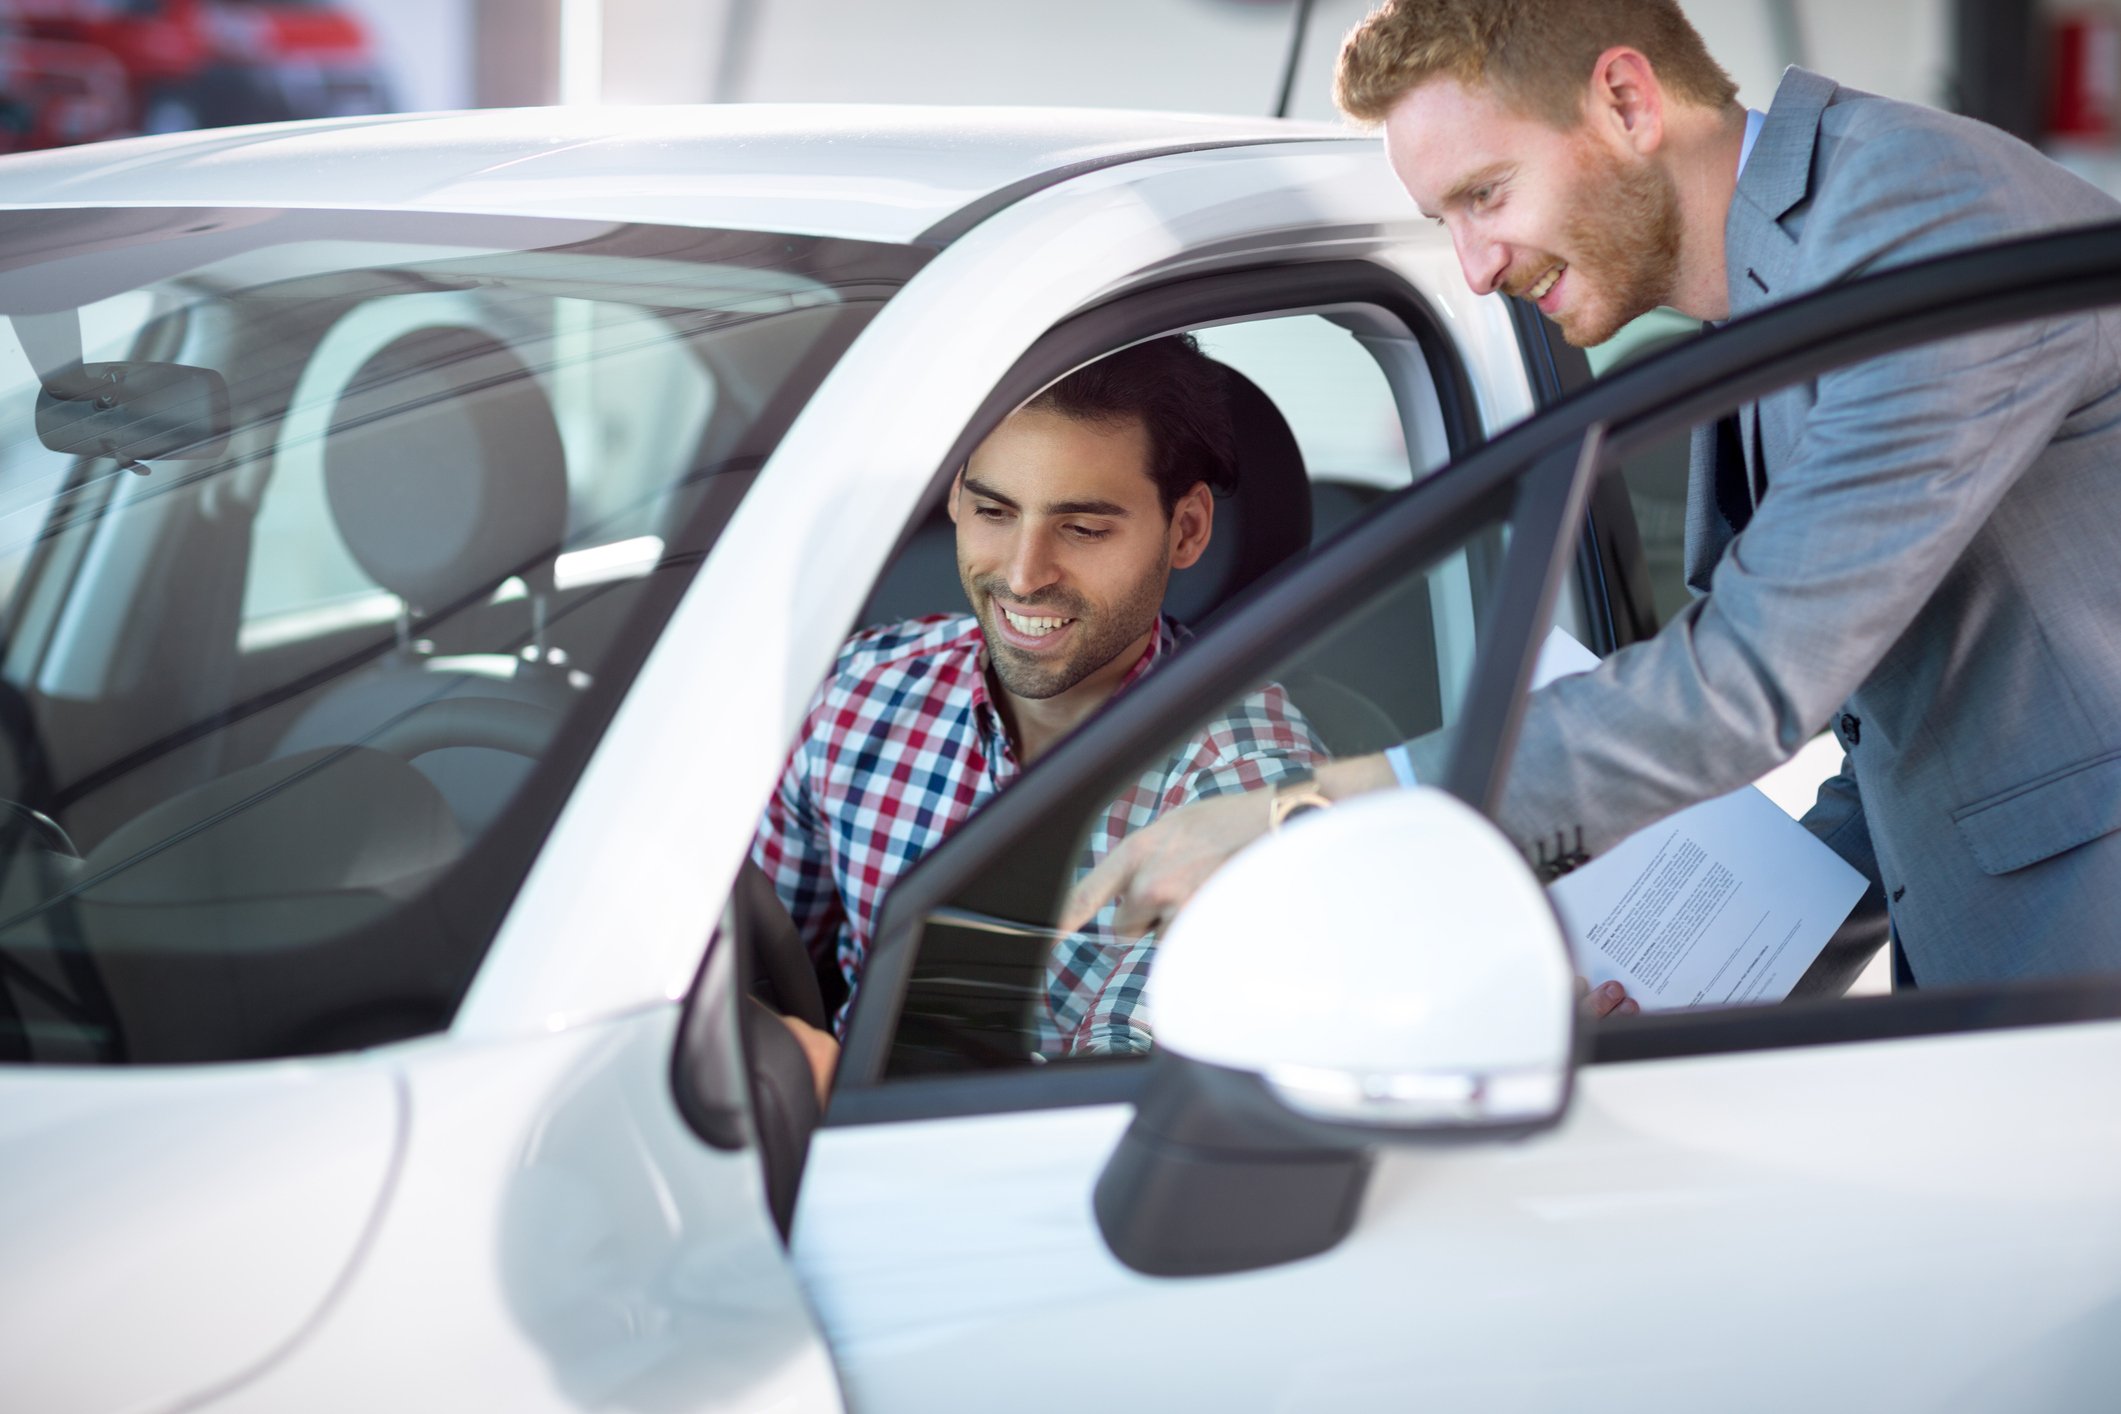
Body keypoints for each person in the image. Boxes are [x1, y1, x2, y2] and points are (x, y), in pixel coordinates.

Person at [1068, 0, 2121, 996]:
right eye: (1448, 220)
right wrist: (1717, 978)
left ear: (1627, 101)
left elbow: (1752, 680)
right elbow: (1902, 725)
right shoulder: (1776, 270)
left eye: (1485, 195)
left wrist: (1309, 815)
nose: (1475, 270)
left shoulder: (1921, 224)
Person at [753, 335, 1323, 1077]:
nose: (1022, 577)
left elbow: (1114, 1116)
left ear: (1185, 530)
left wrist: (821, 1098)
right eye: (993, 511)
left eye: (1081, 529)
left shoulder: (1243, 790)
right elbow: (751, 951)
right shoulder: (863, 686)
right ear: (954, 494)